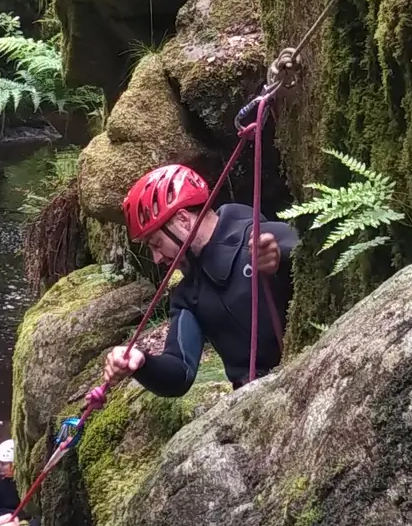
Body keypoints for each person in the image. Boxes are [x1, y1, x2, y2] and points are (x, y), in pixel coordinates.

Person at [99, 165, 298, 395]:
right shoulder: (188, 295)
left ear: (184, 220)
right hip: (255, 404)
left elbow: (319, 261)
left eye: (156, 244)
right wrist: (141, 362)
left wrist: (279, 262)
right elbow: (179, 375)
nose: (156, 258)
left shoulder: (261, 235)